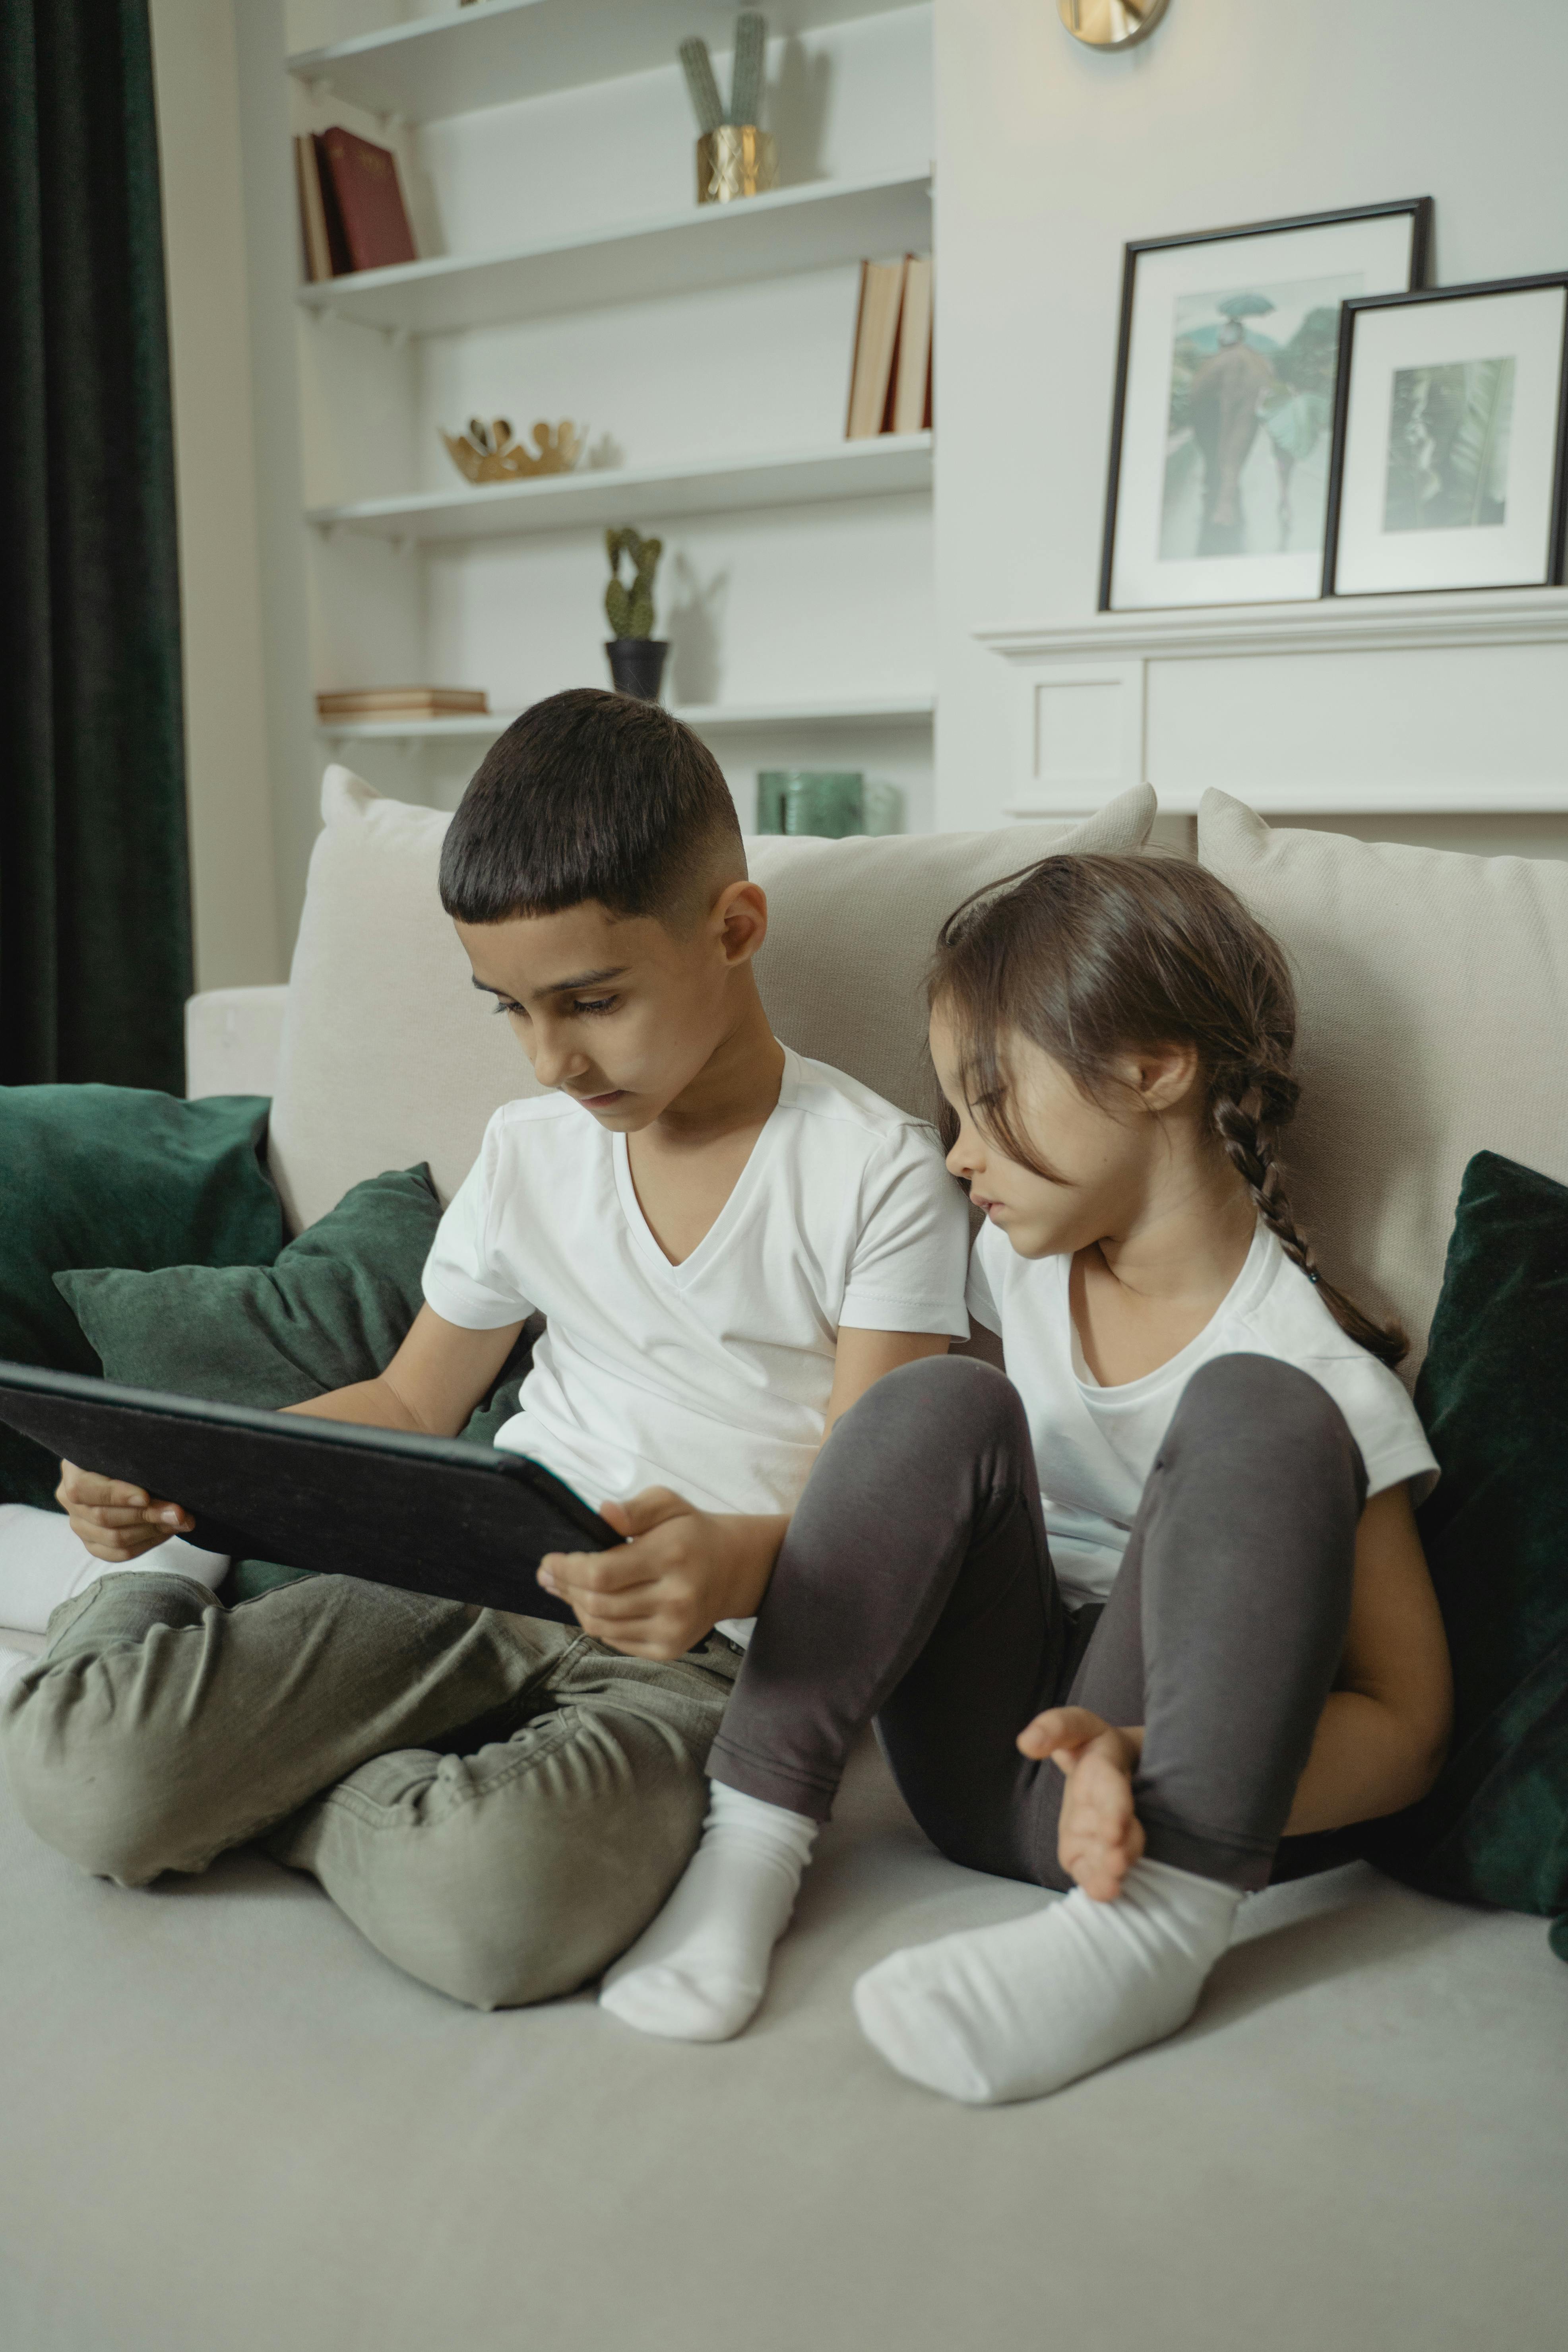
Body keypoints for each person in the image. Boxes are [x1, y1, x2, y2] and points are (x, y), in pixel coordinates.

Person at [0, 690, 969, 2010]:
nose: (550, 1059)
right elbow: (412, 1398)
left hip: (703, 1646)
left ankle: (270, 1787)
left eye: (590, 1001)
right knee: (82, 1774)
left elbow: (881, 1507)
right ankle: (185, 1649)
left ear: (733, 929)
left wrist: (727, 1557)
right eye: (507, 1010)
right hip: (471, 1563)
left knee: (494, 1915)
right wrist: (184, 1486)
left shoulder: (877, 1177)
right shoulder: (530, 1154)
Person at [585, 852, 1452, 2103]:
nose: (957, 1157)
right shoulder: (1013, 1268)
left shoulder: (1317, 1375)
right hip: (974, 1763)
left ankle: (1150, 1932)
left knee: (1260, 1409)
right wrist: (732, 1551)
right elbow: (911, 1503)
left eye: (988, 1103)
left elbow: (1411, 1734)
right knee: (935, 1396)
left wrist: (1148, 1768)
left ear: (1154, 1069)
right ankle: (751, 1847)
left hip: (1144, 1797)